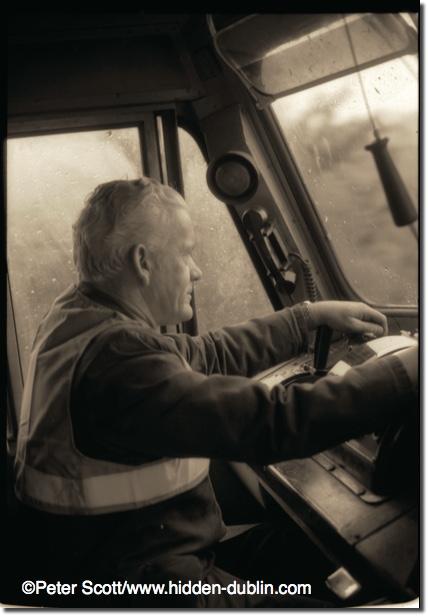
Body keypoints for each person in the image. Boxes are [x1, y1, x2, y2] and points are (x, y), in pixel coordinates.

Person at [14, 177, 418, 608]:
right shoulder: (120, 361)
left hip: (122, 561)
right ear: (143, 262)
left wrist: (307, 317)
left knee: (303, 551)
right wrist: (409, 373)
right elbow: (274, 423)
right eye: (186, 253)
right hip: (146, 584)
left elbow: (202, 353)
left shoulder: (76, 319)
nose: (197, 270)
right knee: (356, 596)